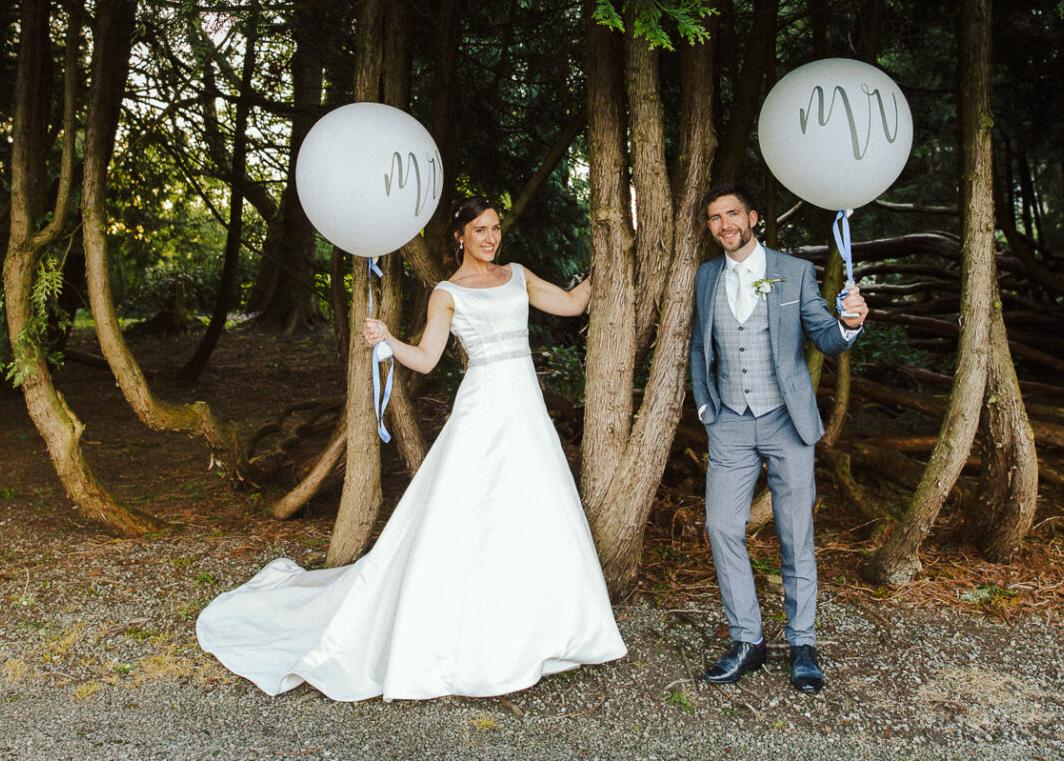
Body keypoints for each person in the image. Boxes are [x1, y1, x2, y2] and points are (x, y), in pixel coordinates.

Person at [196, 196, 626, 700]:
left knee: (536, 504)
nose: (490, 238)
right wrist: (386, 339)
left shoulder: (517, 275)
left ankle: (545, 624)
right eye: (480, 230)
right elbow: (425, 359)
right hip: (483, 408)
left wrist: (613, 260)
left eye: (495, 229)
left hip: (526, 410)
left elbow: (573, 304)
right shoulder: (446, 293)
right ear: (459, 236)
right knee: (472, 510)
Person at [687, 182, 869, 693]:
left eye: (732, 214)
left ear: (752, 217)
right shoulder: (705, 277)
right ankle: (748, 639)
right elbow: (700, 348)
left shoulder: (793, 271)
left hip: (786, 420)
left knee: (795, 535)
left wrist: (850, 323)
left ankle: (803, 643)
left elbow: (826, 338)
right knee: (721, 525)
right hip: (730, 423)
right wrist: (707, 406)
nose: (725, 224)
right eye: (715, 218)